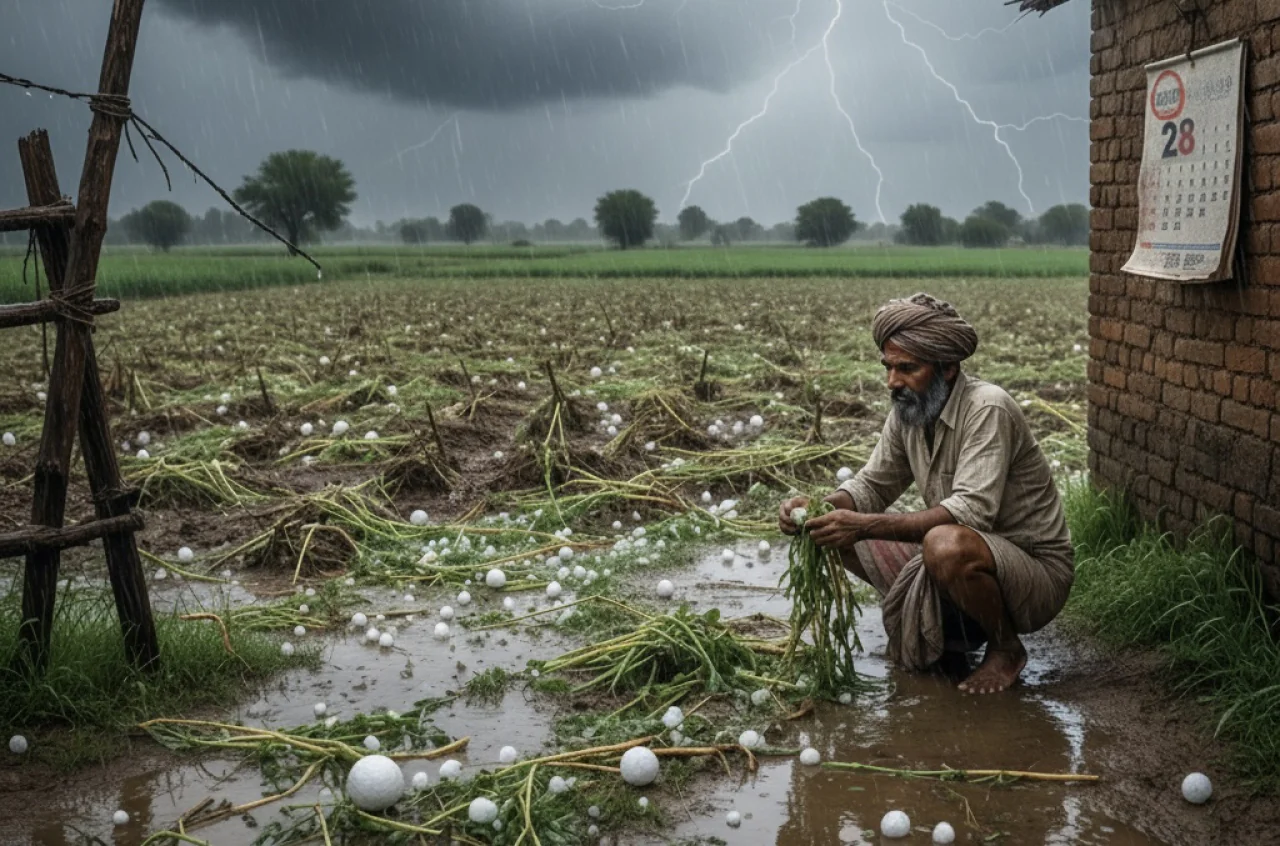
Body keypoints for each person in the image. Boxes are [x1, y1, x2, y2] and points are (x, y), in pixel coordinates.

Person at [778, 292, 1073, 694]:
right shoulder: (910, 410)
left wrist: (863, 525)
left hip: (1033, 573)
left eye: (907, 368)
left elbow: (970, 514)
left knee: (944, 544)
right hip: (974, 556)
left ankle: (1005, 647)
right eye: (888, 368)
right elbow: (871, 486)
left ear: (948, 367)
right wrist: (817, 509)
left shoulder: (988, 408)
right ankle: (950, 636)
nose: (892, 381)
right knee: (833, 534)